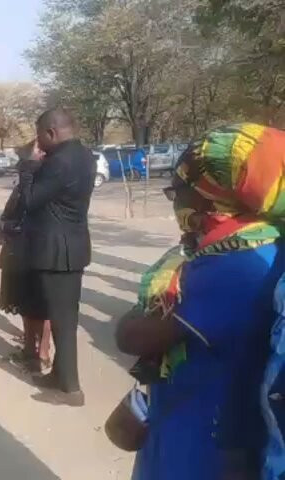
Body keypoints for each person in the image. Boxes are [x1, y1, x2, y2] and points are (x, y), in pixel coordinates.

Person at [115, 124, 285, 479]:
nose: (174, 202)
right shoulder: (264, 246)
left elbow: (133, 337)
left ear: (209, 197)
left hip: (200, 441)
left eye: (176, 191)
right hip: (216, 426)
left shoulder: (230, 266)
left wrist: (143, 307)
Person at [19, 108, 94, 406]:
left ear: (51, 132)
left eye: (39, 135)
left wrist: (27, 167)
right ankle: (59, 375)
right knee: (64, 316)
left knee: (62, 321)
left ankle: (71, 390)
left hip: (57, 252)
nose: (37, 141)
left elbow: (29, 200)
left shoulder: (59, 162)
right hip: (71, 246)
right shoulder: (84, 155)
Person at [0, 141, 53, 373]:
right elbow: (10, 213)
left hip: (39, 253)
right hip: (18, 252)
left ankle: (43, 353)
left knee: (43, 307)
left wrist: (8, 227)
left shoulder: (47, 185)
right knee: (24, 304)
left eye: (26, 160)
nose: (22, 165)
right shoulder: (23, 184)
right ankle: (29, 349)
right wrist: (1, 226)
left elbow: (36, 220)